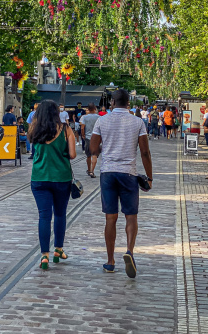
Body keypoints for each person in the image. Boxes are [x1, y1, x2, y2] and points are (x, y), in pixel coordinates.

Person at [89, 89, 153, 278]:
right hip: (129, 173)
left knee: (110, 218)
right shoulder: (138, 122)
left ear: (112, 103)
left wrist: (106, 148)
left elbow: (92, 148)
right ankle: (129, 251)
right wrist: (149, 177)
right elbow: (144, 152)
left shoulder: (102, 120)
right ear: (128, 103)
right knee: (131, 216)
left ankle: (110, 261)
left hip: (108, 172)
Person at [28, 100, 77, 270]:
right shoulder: (66, 129)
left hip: (40, 177)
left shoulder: (34, 129)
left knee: (44, 216)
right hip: (61, 177)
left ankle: (44, 255)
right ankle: (58, 249)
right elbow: (72, 154)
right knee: (60, 214)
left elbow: (33, 150)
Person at [79, 104, 101, 178]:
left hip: (88, 137)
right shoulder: (99, 117)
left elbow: (82, 127)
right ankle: (92, 171)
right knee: (94, 155)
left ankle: (88, 169)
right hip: (97, 137)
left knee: (88, 155)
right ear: (95, 109)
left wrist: (83, 135)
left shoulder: (85, 117)